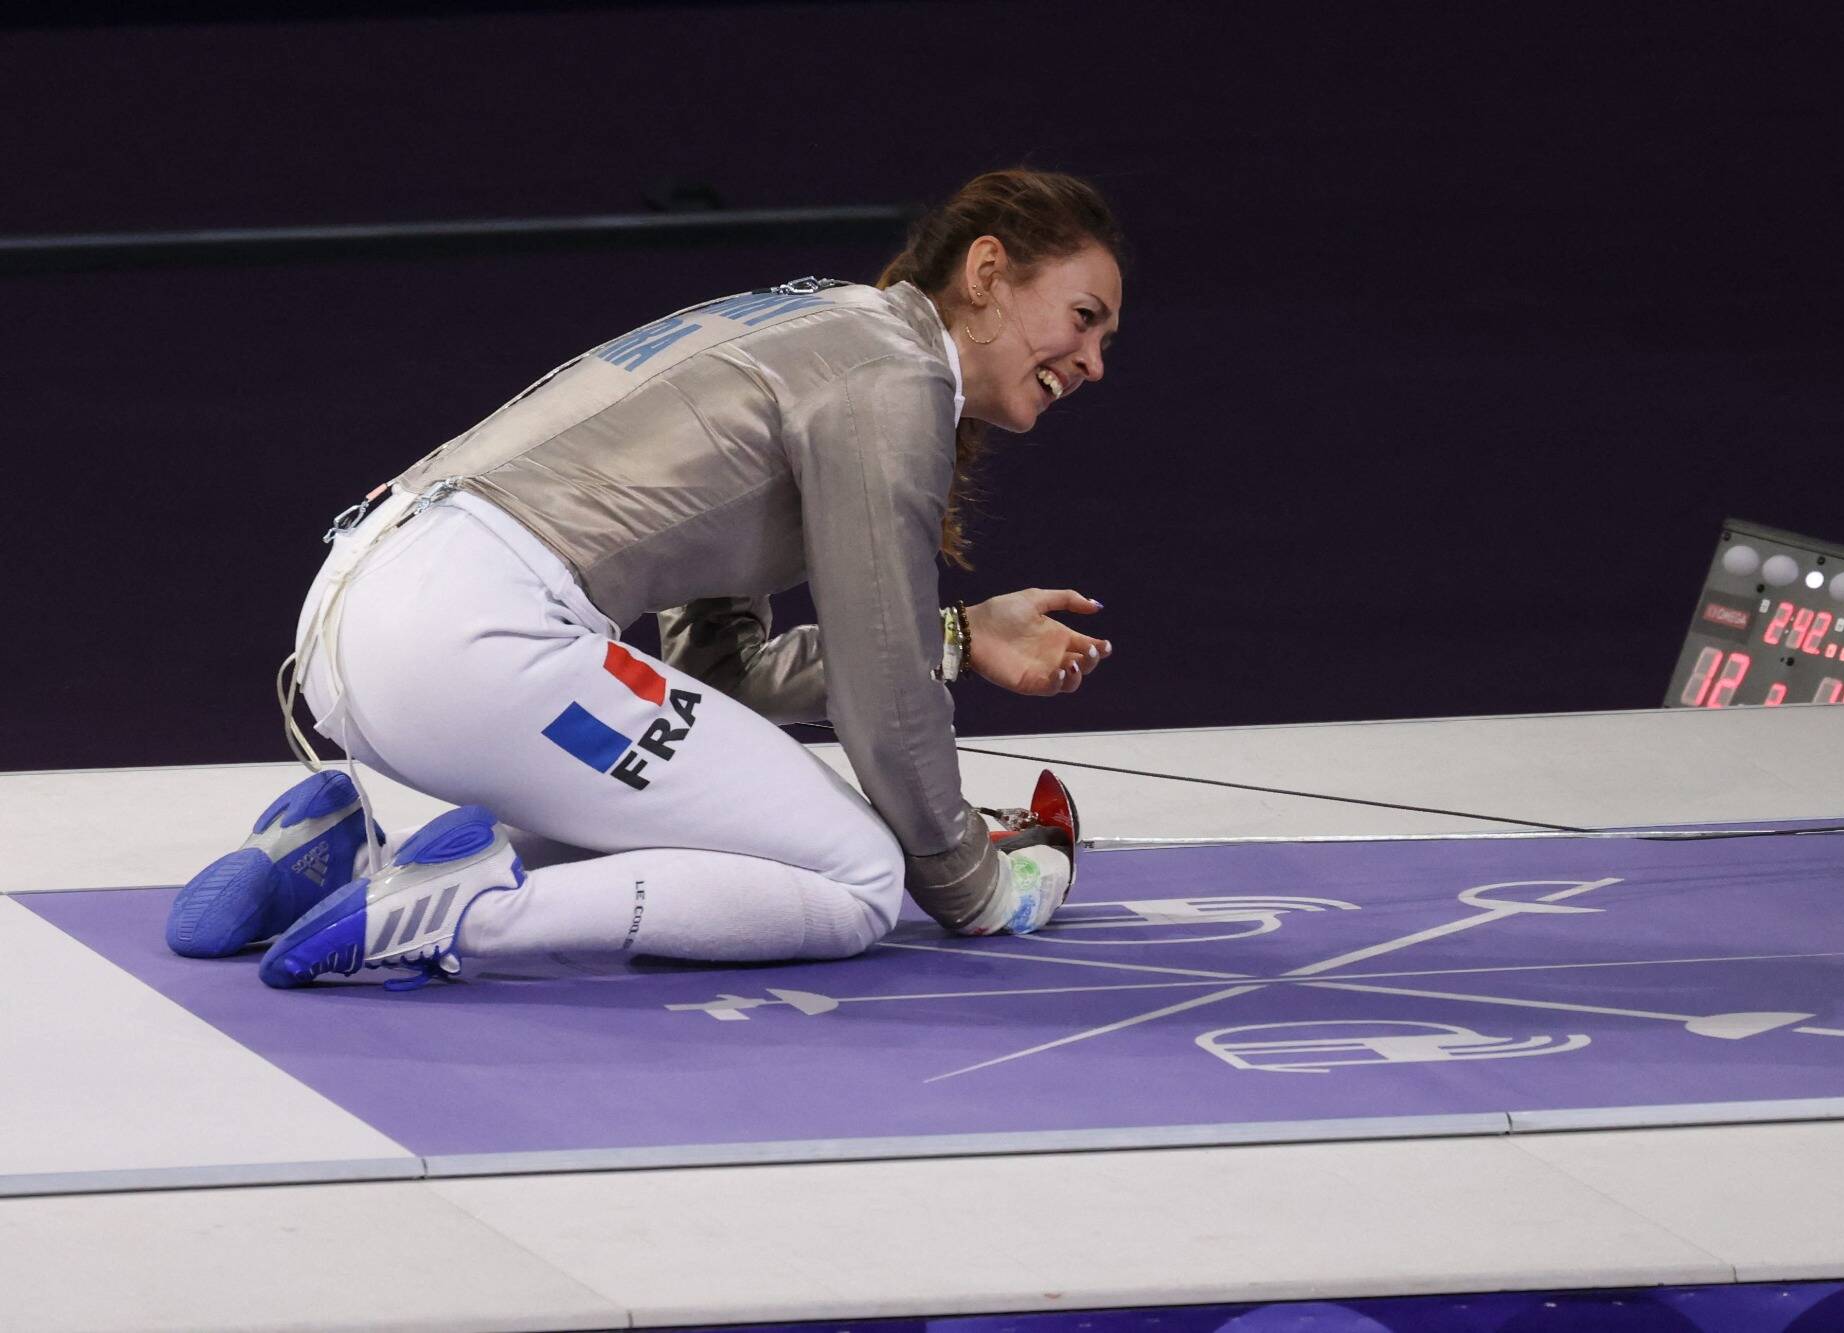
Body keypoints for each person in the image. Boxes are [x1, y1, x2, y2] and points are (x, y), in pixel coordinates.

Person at [164, 167, 1127, 990]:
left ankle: (339, 857)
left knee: (710, 829)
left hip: (365, 609)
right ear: (989, 271)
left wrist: (956, 636)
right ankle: (468, 912)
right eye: (1083, 319)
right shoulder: (894, 376)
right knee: (861, 878)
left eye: (1104, 343)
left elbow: (717, 665)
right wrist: (972, 880)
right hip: (472, 638)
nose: (1090, 363)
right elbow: (886, 697)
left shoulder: (819, 326)